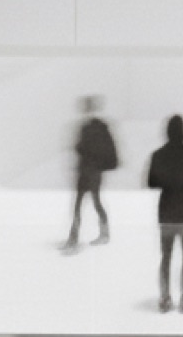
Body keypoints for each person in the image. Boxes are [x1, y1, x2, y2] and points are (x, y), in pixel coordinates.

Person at [147, 114, 183, 312]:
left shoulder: (158, 155)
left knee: (166, 257)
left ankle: (165, 299)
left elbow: (151, 182)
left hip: (166, 212)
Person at [64, 96, 118, 250]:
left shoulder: (90, 127)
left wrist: (80, 149)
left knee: (85, 203)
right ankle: (101, 234)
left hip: (89, 171)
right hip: (92, 171)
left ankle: (76, 238)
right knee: (91, 202)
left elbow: (84, 148)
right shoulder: (97, 126)